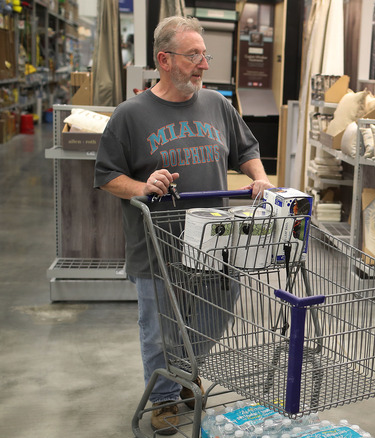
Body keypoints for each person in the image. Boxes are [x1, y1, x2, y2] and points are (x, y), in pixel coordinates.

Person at [94, 16, 274, 435]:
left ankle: (183, 369)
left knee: (215, 313)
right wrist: (143, 184)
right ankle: (162, 400)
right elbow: (106, 176)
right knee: (158, 327)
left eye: (204, 55)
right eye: (194, 55)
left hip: (212, 243)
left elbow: (246, 148)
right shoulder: (130, 115)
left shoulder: (217, 105)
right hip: (157, 245)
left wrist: (259, 177)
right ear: (164, 59)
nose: (203, 64)